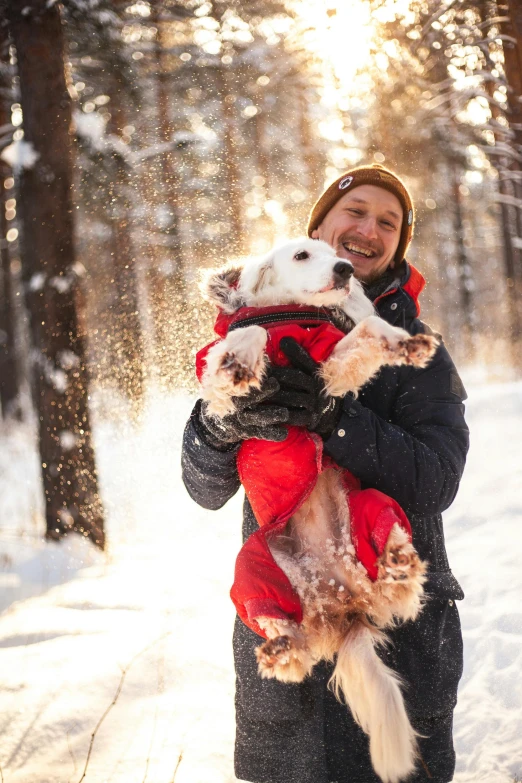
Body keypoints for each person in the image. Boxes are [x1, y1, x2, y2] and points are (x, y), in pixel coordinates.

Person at [181, 164, 469, 783]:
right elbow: (203, 486)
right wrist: (229, 422)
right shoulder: (252, 332)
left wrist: (333, 416)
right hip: (289, 627)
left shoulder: (419, 347)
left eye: (388, 223)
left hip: (400, 626)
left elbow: (436, 479)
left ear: (399, 244)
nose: (369, 229)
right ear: (318, 229)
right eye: (355, 211)